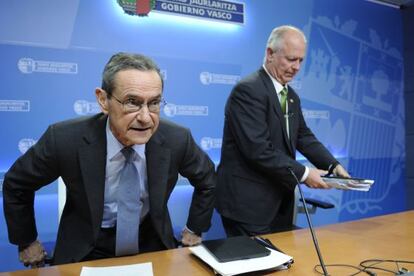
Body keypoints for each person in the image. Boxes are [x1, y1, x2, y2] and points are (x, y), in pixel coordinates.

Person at [3, 52, 216, 267]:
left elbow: (208, 180)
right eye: (132, 102)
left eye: (154, 103)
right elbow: (17, 184)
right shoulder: (65, 139)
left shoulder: (176, 139)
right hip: (86, 247)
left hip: (152, 243)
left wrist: (194, 228)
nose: (145, 117)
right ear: (103, 100)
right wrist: (27, 240)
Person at [216, 25, 350, 237]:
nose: (296, 67)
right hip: (248, 206)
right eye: (290, 59)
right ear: (270, 53)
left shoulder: (291, 96)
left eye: (300, 60)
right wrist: (305, 174)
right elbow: (258, 150)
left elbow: (303, 136)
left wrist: (332, 165)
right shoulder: (248, 90)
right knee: (257, 268)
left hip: (280, 202)